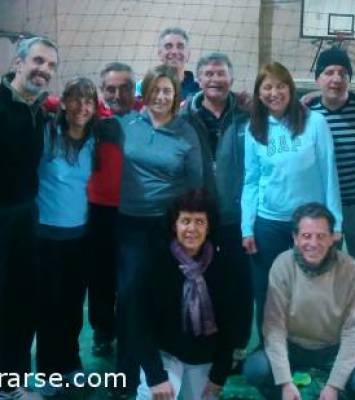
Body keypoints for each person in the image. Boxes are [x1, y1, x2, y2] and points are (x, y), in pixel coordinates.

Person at [115, 64, 203, 396]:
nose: (161, 96)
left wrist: (193, 230)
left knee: (161, 298)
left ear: (176, 96)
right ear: (145, 93)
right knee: (129, 297)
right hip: (130, 225)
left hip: (167, 228)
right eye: (156, 90)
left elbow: (196, 185)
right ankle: (124, 374)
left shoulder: (186, 133)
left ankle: (161, 367)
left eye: (168, 91)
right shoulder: (126, 125)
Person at [244, 202, 355, 400]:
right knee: (255, 369)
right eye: (306, 236)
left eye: (321, 236)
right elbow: (274, 329)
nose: (313, 243)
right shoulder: (282, 266)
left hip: (333, 348)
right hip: (291, 345)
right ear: (294, 238)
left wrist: (334, 385)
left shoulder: (350, 269)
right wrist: (285, 382)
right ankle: (287, 395)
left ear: (332, 238)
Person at [241, 62, 342, 338]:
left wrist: (336, 223)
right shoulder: (254, 129)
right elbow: (250, 181)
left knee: (311, 290)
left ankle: (310, 348)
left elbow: (329, 173)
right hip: (269, 223)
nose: (275, 92)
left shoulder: (315, 123)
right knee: (269, 292)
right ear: (259, 93)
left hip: (310, 227)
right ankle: (271, 349)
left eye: (280, 85)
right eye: (268, 87)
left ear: (291, 88)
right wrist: (247, 227)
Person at [182, 52, 253, 361]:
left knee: (239, 283)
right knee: (201, 281)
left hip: (238, 215)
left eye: (220, 73)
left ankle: (236, 345)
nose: (214, 79)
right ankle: (204, 340)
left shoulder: (249, 115)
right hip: (200, 216)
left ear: (232, 79)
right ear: (198, 79)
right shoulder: (184, 116)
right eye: (208, 74)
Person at [309, 47, 355, 352]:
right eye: (329, 72)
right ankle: (328, 340)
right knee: (325, 278)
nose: (336, 78)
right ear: (318, 79)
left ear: (349, 79)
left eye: (342, 73)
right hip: (324, 213)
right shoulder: (309, 115)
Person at [134, 189, 237, 400]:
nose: (191, 229)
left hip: (203, 356)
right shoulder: (155, 261)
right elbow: (138, 323)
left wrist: (219, 375)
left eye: (199, 222)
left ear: (209, 228)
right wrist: (155, 376)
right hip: (165, 352)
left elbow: (230, 326)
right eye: (185, 221)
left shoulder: (223, 266)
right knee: (154, 396)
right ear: (175, 225)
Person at [0, 36, 58, 399]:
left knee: (20, 303)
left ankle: (11, 384)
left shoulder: (40, 111)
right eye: (38, 61)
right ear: (18, 63)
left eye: (51, 66)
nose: (44, 70)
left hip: (24, 217)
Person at [35, 77, 98, 397]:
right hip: (45, 239)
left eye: (88, 100)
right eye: (75, 99)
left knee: (73, 307)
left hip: (79, 239)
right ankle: (48, 372)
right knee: (48, 307)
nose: (81, 106)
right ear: (63, 102)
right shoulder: (47, 133)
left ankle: (71, 365)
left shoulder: (95, 140)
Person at [86, 62, 137, 357]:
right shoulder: (92, 118)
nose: (117, 94)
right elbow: (56, 102)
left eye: (125, 88)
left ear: (135, 89)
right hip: (98, 212)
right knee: (101, 277)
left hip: (135, 212)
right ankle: (103, 330)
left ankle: (133, 329)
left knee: (133, 276)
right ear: (102, 91)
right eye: (110, 89)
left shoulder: (147, 114)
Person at [136, 27, 200, 100]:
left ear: (188, 54)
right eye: (168, 46)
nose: (174, 51)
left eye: (180, 46)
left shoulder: (199, 89)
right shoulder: (142, 87)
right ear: (160, 54)